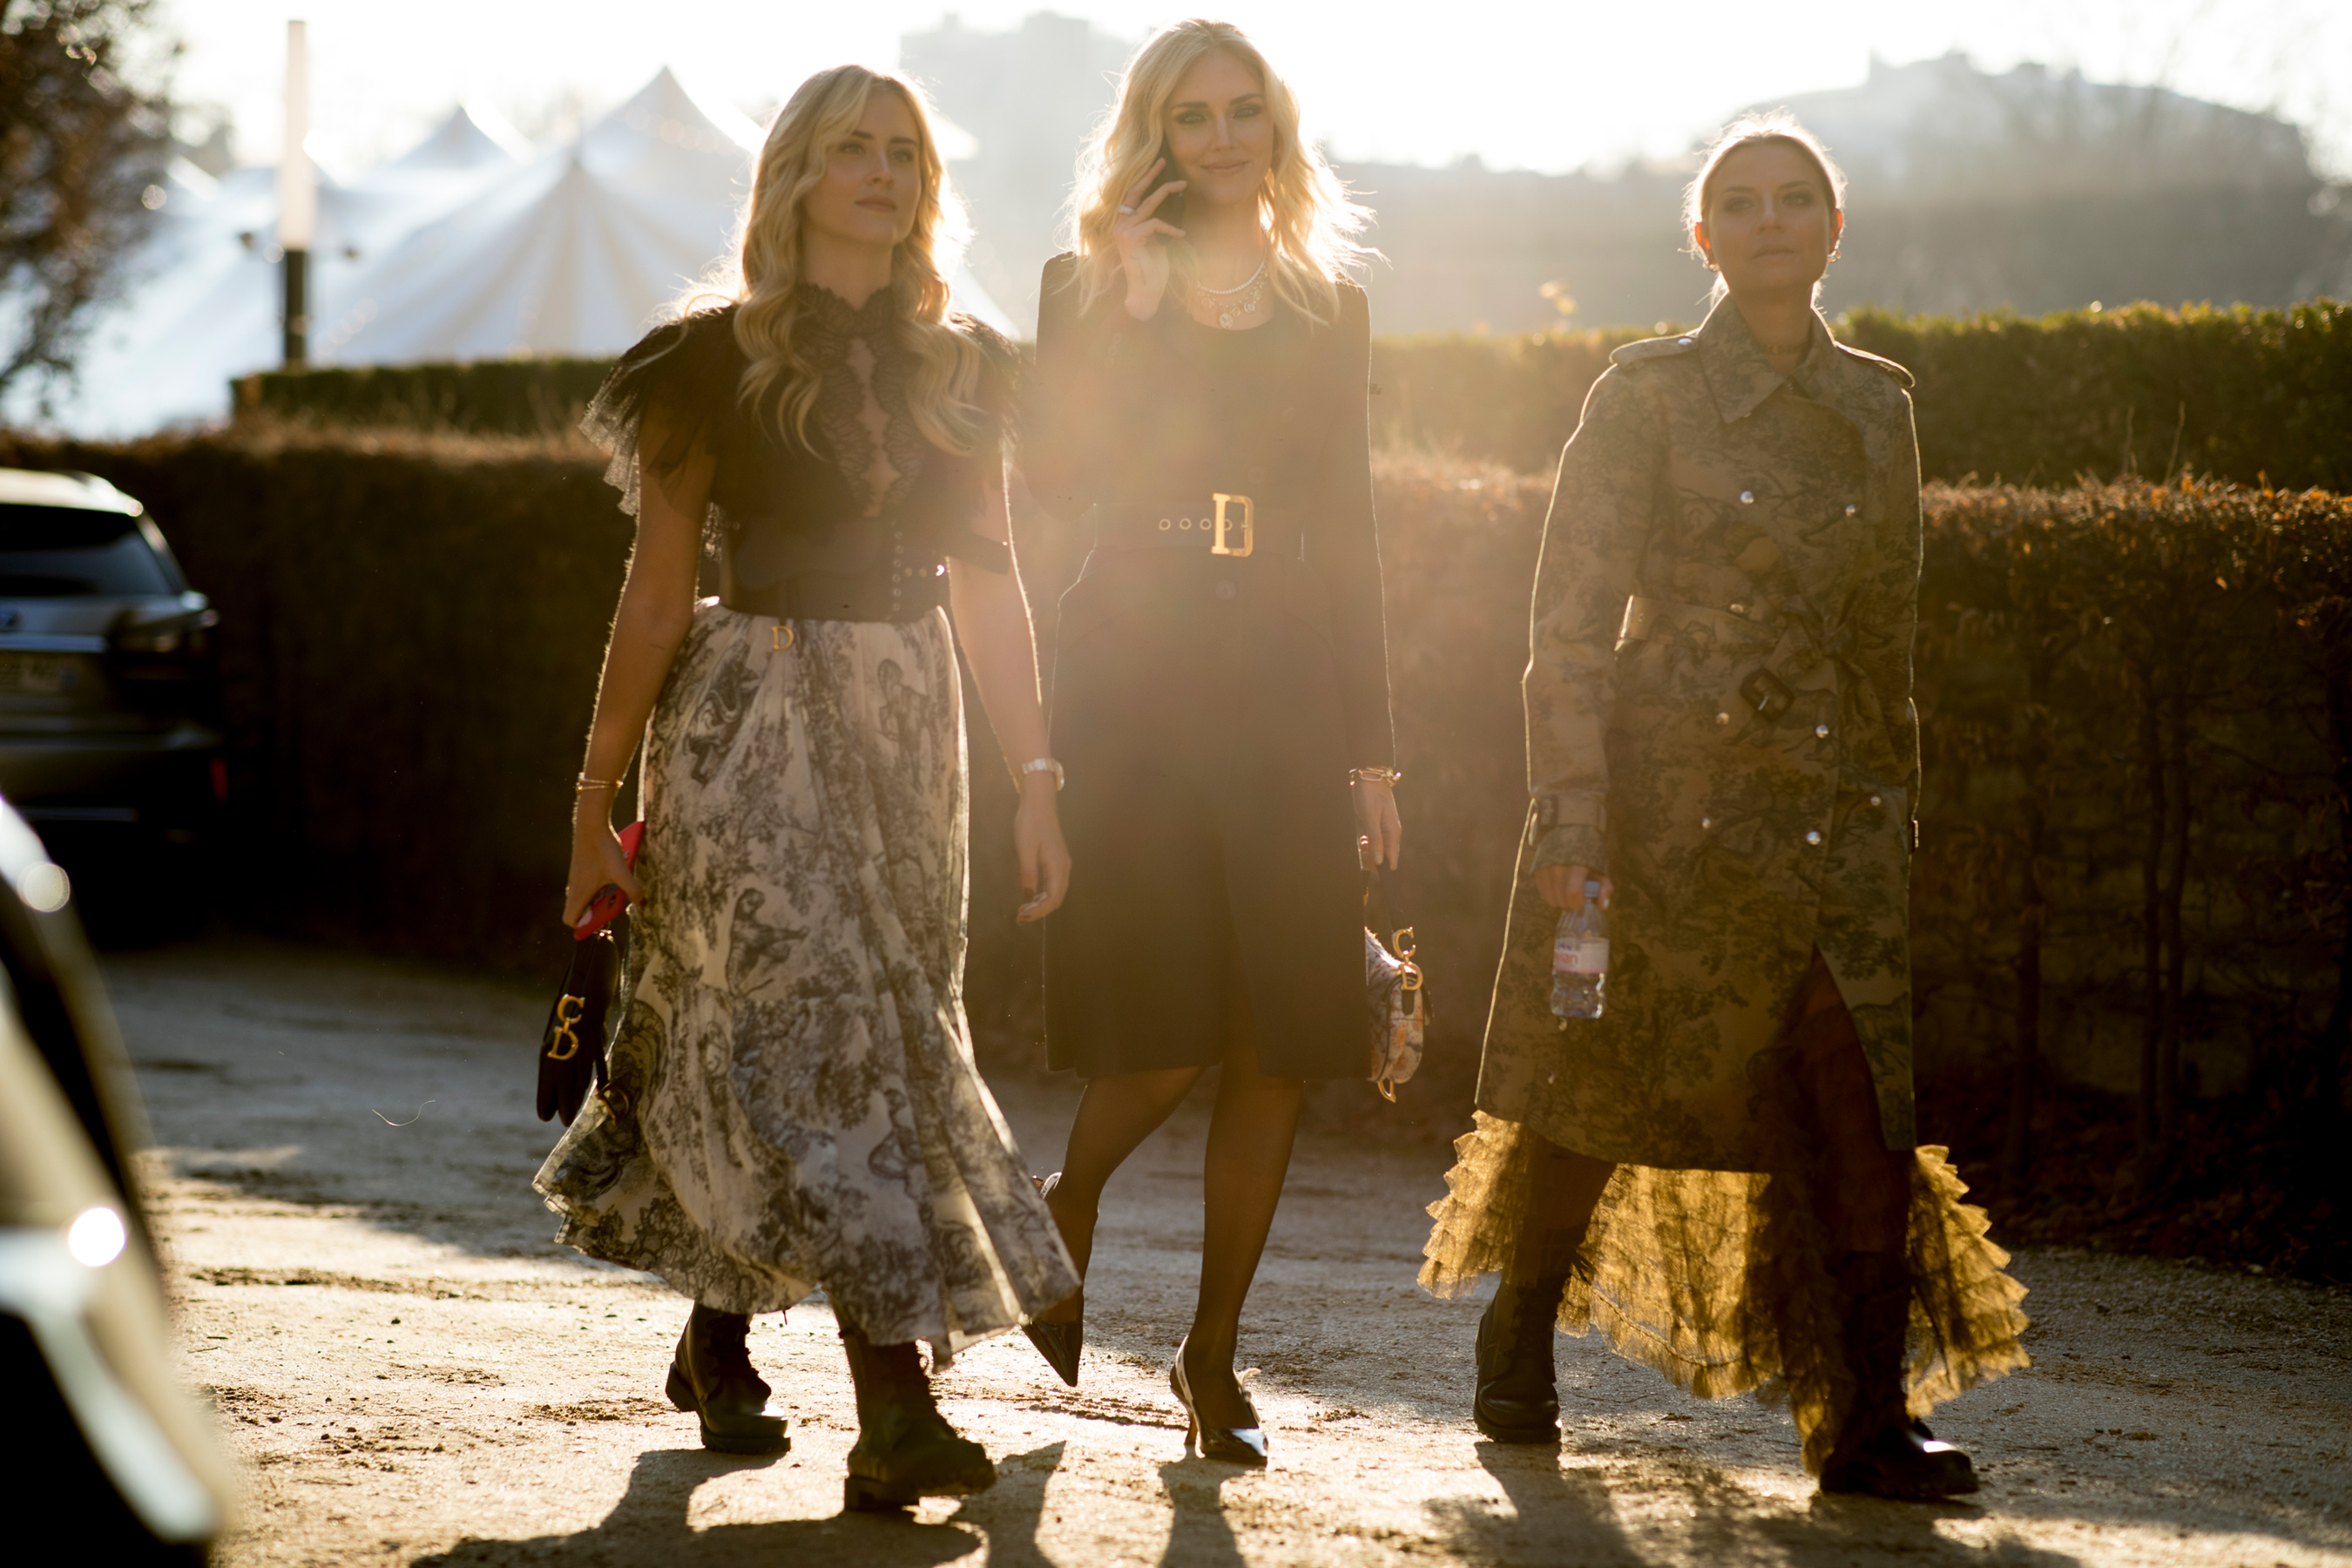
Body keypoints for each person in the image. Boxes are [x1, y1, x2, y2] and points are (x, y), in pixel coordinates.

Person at [1420, 112, 2029, 1499]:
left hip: (1833, 812)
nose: (1768, 220)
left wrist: (1893, 810)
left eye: (1793, 199)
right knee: (1608, 1077)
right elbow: (1568, 625)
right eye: (1739, 203)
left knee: (1861, 1103)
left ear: (1833, 231)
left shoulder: (1880, 406)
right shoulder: (1643, 395)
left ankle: (1865, 1418)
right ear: (1701, 238)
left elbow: (1889, 633)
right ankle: (1522, 1328)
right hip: (1667, 807)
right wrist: (1572, 816)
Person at [533, 64, 1080, 1513]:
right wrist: (593, 800)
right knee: (818, 1033)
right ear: (795, 176)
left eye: (903, 150)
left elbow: (993, 583)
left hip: (909, 728)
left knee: (852, 1036)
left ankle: (715, 1341)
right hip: (748, 724)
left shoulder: (965, 369)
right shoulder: (701, 363)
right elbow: (658, 595)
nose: (883, 171)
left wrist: (1038, 777)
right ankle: (895, 1409)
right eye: (853, 148)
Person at [1017, 17, 1398, 1470]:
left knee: (1279, 1037)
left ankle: (1214, 1356)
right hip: (1136, 672)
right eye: (1194, 115)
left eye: (1245, 111)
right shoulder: (1084, 285)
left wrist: (1375, 756)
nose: (1223, 136)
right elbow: (1055, 478)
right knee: (1166, 1027)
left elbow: (1351, 529)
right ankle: (1061, 1209)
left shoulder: (1328, 306)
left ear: (1277, 129)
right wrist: (1125, 305)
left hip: (1286, 684)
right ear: (1156, 136)